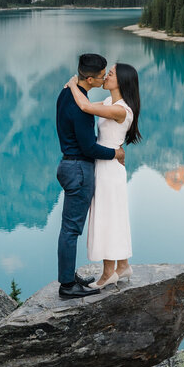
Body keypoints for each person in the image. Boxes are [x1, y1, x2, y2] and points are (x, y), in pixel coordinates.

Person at [55, 53, 125, 299]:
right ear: (90, 78)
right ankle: (66, 285)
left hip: (67, 165)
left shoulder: (66, 93)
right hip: (79, 169)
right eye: (102, 75)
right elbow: (89, 148)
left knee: (69, 228)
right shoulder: (81, 106)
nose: (105, 77)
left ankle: (69, 275)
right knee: (71, 230)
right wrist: (115, 153)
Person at [66, 62, 141, 290]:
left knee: (108, 216)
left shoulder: (121, 109)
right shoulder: (110, 102)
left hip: (109, 169)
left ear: (122, 81)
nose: (105, 76)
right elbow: (85, 106)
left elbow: (86, 107)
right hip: (106, 164)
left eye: (110, 74)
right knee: (114, 215)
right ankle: (123, 265)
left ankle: (108, 273)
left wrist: (72, 85)